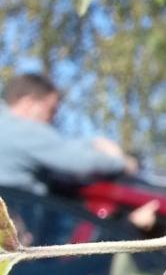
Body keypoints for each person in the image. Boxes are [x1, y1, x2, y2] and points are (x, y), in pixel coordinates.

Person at [0, 72, 139, 196]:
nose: (52, 119)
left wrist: (92, 143)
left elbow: (57, 147)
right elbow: (80, 161)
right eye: (51, 110)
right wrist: (123, 164)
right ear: (28, 103)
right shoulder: (25, 131)